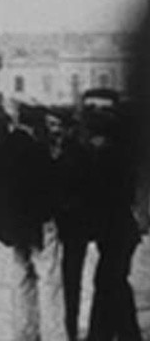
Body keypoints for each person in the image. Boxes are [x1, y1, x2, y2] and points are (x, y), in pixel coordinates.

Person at [0, 103, 65, 341]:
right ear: (36, 125)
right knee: (49, 281)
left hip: (13, 227)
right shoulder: (37, 151)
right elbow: (50, 188)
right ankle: (54, 335)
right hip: (38, 225)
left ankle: (24, 332)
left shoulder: (2, 148)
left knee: (21, 278)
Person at [79, 90, 141, 341]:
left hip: (117, 231)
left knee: (109, 281)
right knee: (114, 282)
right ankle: (119, 334)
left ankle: (109, 335)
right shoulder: (122, 150)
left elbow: (106, 194)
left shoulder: (113, 154)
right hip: (119, 231)